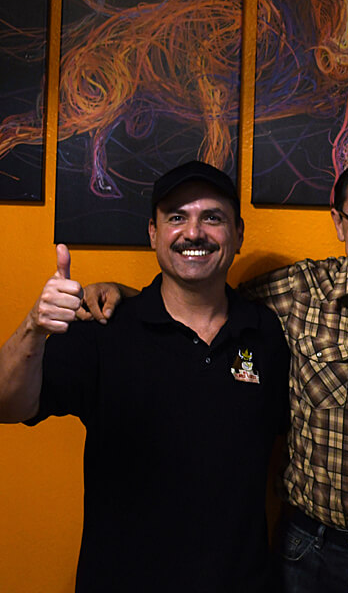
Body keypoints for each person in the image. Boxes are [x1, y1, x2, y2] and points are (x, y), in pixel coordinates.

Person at [81, 151, 348, 593]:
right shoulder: (293, 293)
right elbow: (198, 297)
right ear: (339, 222)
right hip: (307, 552)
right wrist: (125, 297)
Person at [0, 161, 290, 592]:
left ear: (238, 234)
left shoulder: (266, 332)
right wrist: (34, 327)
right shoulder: (105, 326)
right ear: (153, 233)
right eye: (176, 217)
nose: (194, 232)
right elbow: (8, 406)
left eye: (212, 217)